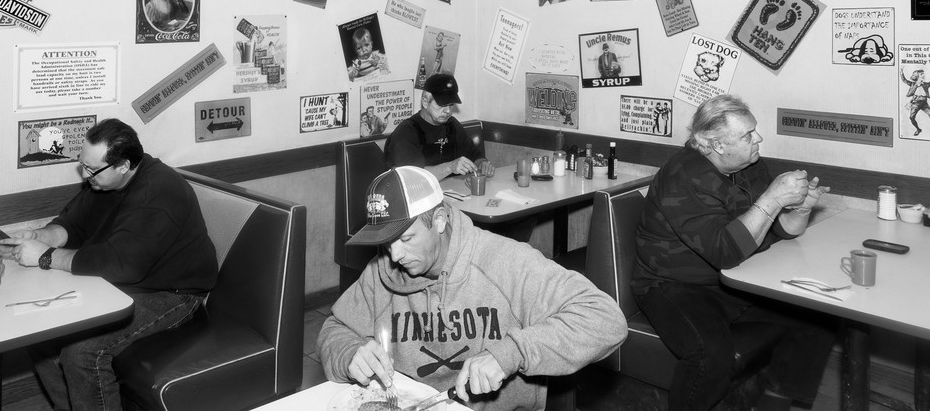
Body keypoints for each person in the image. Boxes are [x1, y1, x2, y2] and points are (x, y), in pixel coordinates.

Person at [317, 166, 627, 411]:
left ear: (438, 220)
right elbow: (335, 328)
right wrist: (348, 352)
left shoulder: (506, 262)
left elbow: (606, 320)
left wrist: (511, 353)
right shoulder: (382, 270)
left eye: (406, 239)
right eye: (385, 243)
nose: (394, 255)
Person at [631, 94, 836, 410]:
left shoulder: (750, 165)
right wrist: (772, 199)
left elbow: (783, 229)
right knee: (709, 354)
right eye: (747, 135)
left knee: (816, 315)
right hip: (673, 285)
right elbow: (725, 251)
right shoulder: (684, 176)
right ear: (716, 145)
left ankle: (772, 402)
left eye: (754, 130)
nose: (759, 139)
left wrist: (800, 208)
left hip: (736, 280)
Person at [0, 118, 218, 410]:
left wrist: (46, 256)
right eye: (82, 165)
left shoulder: (158, 192)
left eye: (91, 169)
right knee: (41, 334)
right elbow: (73, 224)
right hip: (122, 283)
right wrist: (40, 235)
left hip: (172, 293)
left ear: (124, 165)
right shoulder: (104, 182)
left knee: (81, 353)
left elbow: (122, 264)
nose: (85, 175)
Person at [384, 73, 494, 180]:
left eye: (451, 105)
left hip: (449, 192)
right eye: (442, 105)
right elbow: (414, 177)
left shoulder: (452, 125)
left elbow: (474, 155)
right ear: (425, 102)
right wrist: (450, 167)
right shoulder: (406, 132)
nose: (448, 111)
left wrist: (482, 163)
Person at [901, 69, 930, 135]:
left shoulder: (926, 84)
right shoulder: (912, 84)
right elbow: (904, 80)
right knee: (911, 117)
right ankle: (918, 129)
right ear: (917, 76)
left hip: (924, 103)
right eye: (921, 74)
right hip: (915, 103)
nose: (923, 75)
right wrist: (901, 72)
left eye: (923, 74)